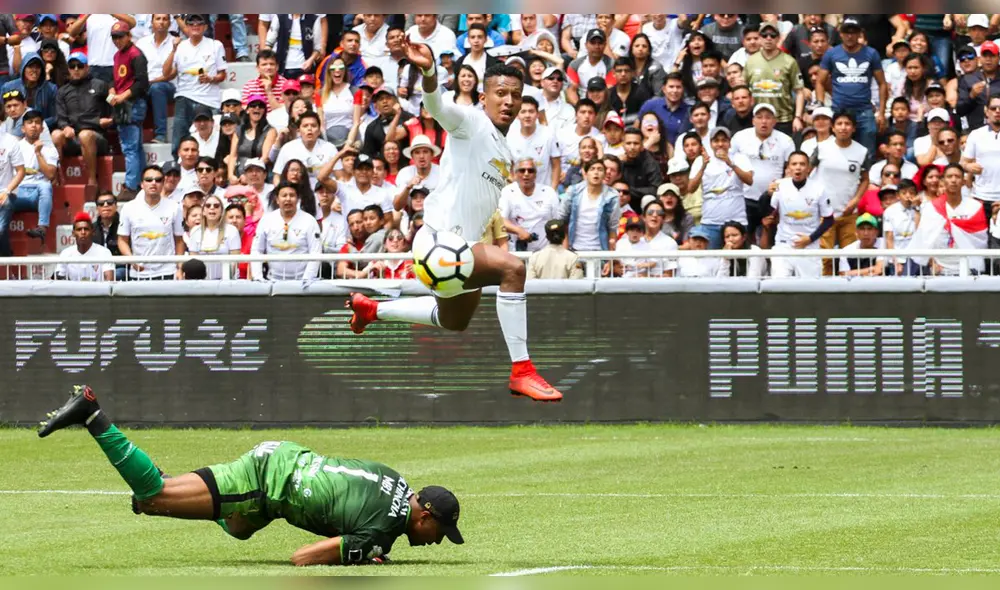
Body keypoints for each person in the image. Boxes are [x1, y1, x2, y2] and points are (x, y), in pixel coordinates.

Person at [347, 40, 563, 403]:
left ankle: (373, 310)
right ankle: (522, 370)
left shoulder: (503, 147)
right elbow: (436, 106)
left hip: (457, 250)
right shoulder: (471, 123)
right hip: (439, 245)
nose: (508, 101)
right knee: (513, 270)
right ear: (483, 97)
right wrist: (429, 72)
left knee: (454, 321)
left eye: (515, 95)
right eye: (500, 93)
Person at [37, 385, 464, 566]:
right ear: (424, 516)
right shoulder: (384, 531)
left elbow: (349, 499)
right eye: (441, 532)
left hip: (288, 462)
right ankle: (92, 414)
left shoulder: (397, 481)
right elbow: (302, 558)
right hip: (266, 483)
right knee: (154, 492)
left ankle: (174, 495)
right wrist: (365, 555)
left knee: (238, 529)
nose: (437, 541)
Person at [769, 151, 833, 278]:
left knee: (810, 289)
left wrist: (810, 239)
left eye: (802, 164)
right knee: (779, 285)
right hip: (784, 244)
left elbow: (829, 220)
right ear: (788, 167)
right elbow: (767, 212)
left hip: (809, 247)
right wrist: (767, 195)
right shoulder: (779, 185)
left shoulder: (819, 189)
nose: (798, 167)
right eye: (794, 164)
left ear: (808, 168)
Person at [117, 165, 185, 280]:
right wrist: (132, 260)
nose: (153, 183)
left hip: (167, 271)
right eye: (149, 180)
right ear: (142, 184)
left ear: (163, 183)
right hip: (139, 272)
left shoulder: (175, 207)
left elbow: (179, 240)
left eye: (158, 180)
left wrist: (179, 268)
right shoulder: (128, 208)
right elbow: (122, 240)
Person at [250, 181, 322, 281]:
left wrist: (306, 280)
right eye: (284, 195)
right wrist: (258, 278)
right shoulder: (266, 220)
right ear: (277, 200)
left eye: (292, 195)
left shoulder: (309, 221)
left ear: (298, 199)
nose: (288, 199)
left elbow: (315, 252)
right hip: (273, 281)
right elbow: (257, 250)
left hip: (302, 282)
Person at [55, 212, 114, 281]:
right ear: (73, 233)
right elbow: (59, 278)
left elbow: (109, 280)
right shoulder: (66, 253)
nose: (83, 232)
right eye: (79, 229)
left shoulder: (104, 252)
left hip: (99, 291)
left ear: (93, 232)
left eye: (86, 229)